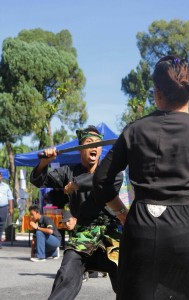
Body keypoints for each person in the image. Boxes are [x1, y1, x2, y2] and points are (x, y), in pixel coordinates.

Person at [93, 55, 189, 300]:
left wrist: (121, 212)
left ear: (157, 93)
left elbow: (101, 181)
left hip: (140, 226)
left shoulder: (134, 130)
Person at [30, 125, 123, 300]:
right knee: (66, 275)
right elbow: (40, 181)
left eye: (98, 143)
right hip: (83, 235)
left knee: (128, 280)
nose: (94, 147)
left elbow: (106, 180)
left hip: (111, 235)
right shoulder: (68, 171)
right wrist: (45, 162)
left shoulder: (110, 170)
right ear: (81, 148)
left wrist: (77, 184)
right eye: (89, 143)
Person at [0, 171, 14, 249]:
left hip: (4, 208)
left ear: (1, 177)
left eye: (0, 176)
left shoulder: (6, 186)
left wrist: (11, 208)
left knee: (2, 226)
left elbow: (10, 198)